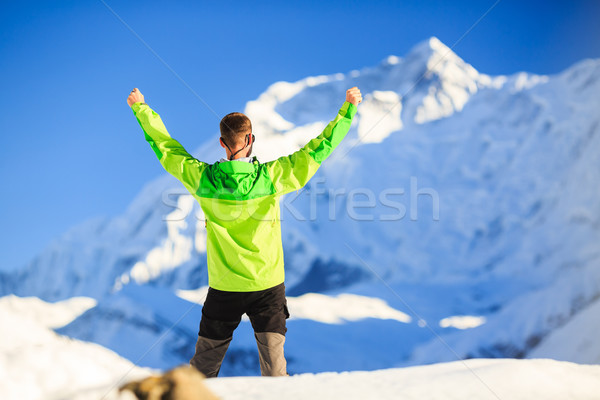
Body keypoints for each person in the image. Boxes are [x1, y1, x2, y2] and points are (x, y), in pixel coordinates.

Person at [127, 86, 362, 377]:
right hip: (268, 285)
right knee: (275, 371)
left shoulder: (203, 179)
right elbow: (318, 149)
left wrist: (141, 109)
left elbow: (166, 149)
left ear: (222, 144)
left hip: (224, 288)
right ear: (250, 140)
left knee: (202, 371)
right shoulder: (273, 177)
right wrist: (347, 110)